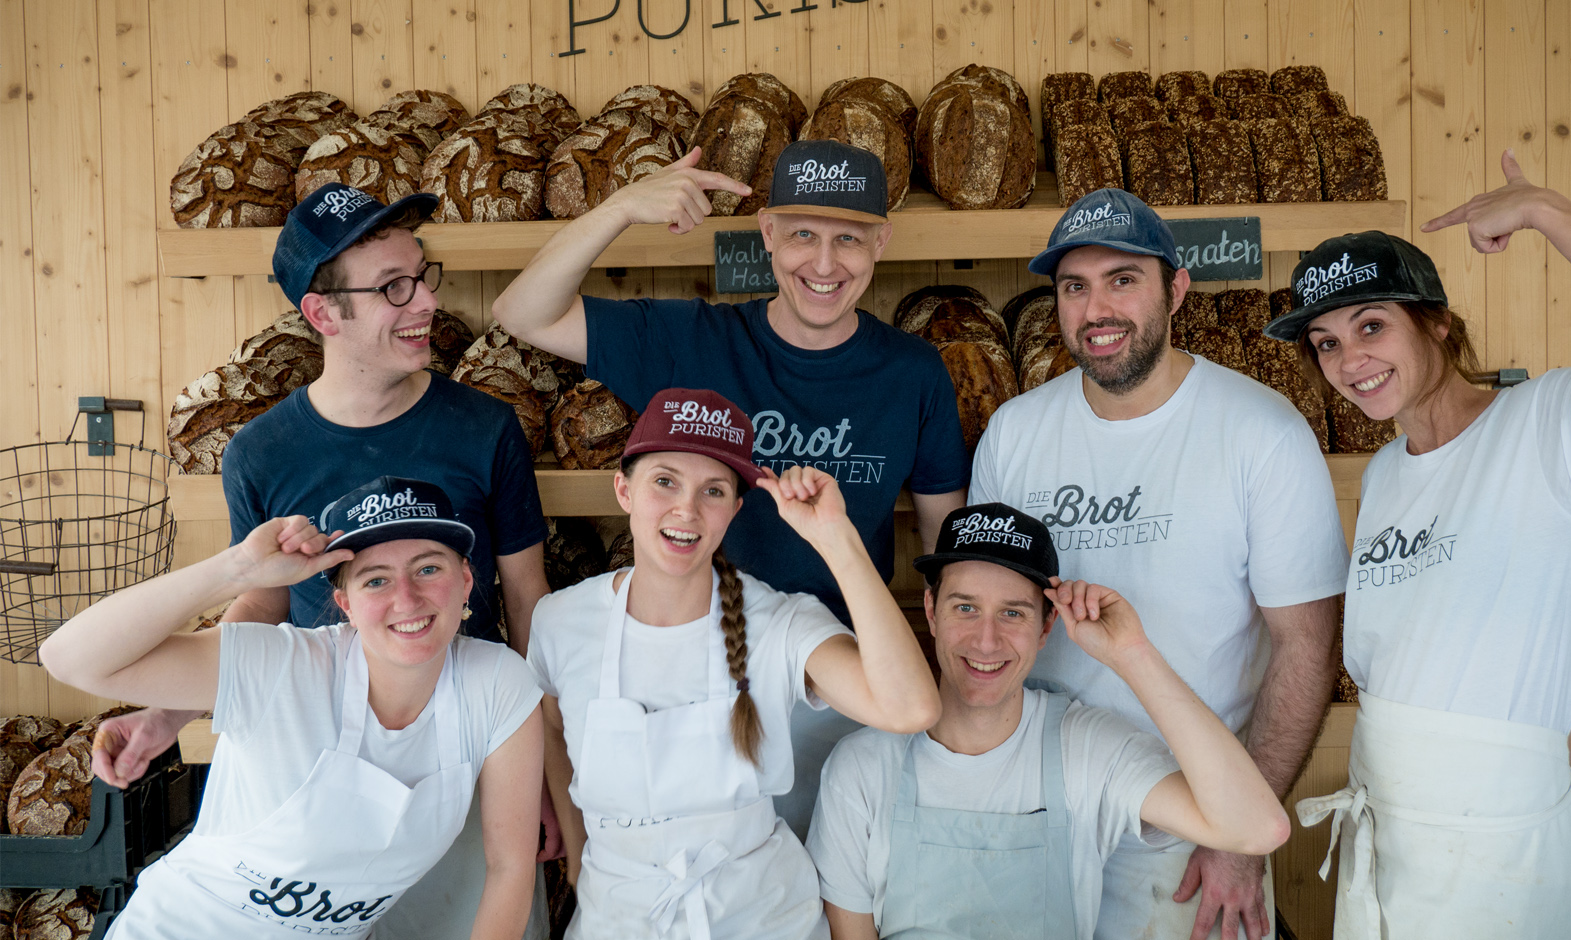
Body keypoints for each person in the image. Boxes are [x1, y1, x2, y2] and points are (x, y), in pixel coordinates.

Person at [93, 183, 556, 939]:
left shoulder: (484, 427)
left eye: (423, 276)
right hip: (313, 759)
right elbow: (262, 607)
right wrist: (169, 711)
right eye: (393, 287)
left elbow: (528, 598)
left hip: (463, 752)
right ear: (322, 314)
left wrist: (545, 769)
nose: (426, 302)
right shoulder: (260, 452)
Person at [494, 139, 969, 836]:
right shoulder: (694, 340)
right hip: (696, 676)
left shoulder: (914, 373)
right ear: (767, 233)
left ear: (881, 244)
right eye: (803, 235)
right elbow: (522, 312)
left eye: (848, 238)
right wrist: (620, 208)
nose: (825, 264)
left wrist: (954, 708)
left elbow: (944, 554)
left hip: (846, 679)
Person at [1277, 151, 1571, 938]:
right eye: (1326, 342)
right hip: (1390, 836)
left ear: (1438, 322)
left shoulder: (1543, 423)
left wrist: (1547, 211)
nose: (1350, 361)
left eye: (1371, 325)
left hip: (1502, 852)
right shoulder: (1385, 473)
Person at [969, 188, 1350, 940]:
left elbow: (1307, 647)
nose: (1097, 309)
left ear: (1176, 289)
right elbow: (984, 624)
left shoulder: (1261, 432)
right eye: (1074, 287)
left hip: (1193, 829)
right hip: (1040, 812)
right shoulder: (1015, 434)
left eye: (1123, 280)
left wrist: (1237, 838)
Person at [38, 477, 544, 940]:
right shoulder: (282, 665)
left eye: (428, 569)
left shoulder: (497, 684)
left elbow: (509, 868)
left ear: (466, 581)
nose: (407, 599)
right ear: (345, 605)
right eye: (375, 580)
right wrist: (236, 569)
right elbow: (68, 658)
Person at [526, 388, 942, 939]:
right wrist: (581, 861)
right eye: (665, 481)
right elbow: (552, 726)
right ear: (624, 490)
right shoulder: (560, 620)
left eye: (714, 491)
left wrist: (837, 539)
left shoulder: (780, 622)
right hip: (616, 915)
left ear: (736, 509)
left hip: (763, 918)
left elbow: (911, 708)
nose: (687, 510)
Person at [806, 502, 1291, 939]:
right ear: (931, 611)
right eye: (965, 608)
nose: (986, 641)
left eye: (1013, 613)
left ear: (1046, 627)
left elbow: (1257, 828)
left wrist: (1133, 655)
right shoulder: (861, 769)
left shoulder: (1087, 749)